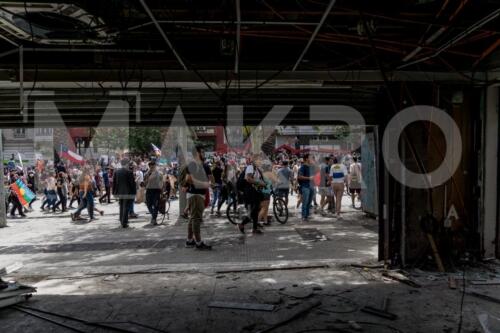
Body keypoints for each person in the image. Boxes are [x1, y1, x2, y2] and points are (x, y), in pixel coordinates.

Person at [184, 146, 213, 250]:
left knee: (193, 218)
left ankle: (190, 240)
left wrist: (208, 183)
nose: (204, 153)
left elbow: (210, 179)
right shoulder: (192, 164)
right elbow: (188, 179)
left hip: (200, 194)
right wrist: (202, 184)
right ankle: (198, 242)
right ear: (197, 153)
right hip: (195, 194)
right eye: (202, 152)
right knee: (196, 218)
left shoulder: (204, 165)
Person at [240, 154, 265, 235]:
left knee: (257, 208)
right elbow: (248, 179)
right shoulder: (250, 167)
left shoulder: (257, 169)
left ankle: (254, 228)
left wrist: (262, 183)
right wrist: (259, 182)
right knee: (256, 208)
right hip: (250, 191)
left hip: (255, 191)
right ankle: (243, 223)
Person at [112, 159, 136, 228]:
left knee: (122, 206)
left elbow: (114, 183)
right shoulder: (129, 172)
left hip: (120, 192)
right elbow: (132, 184)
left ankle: (121, 219)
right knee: (126, 207)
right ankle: (124, 222)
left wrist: (114, 192)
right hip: (128, 192)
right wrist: (134, 193)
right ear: (127, 164)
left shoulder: (116, 172)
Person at [144, 161, 164, 225]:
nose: (152, 167)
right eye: (150, 166)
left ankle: (154, 219)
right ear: (149, 166)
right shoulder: (147, 173)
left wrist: (162, 191)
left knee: (156, 205)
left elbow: (162, 183)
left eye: (153, 166)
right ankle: (153, 217)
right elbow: (144, 182)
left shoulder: (159, 173)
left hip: (156, 190)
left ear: (155, 166)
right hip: (149, 190)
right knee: (149, 204)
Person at [297, 154, 315, 222]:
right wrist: (309, 178)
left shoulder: (311, 166)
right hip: (305, 186)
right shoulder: (303, 167)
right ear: (306, 159)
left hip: (311, 186)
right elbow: (299, 177)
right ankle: (304, 216)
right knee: (305, 202)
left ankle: (307, 215)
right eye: (310, 158)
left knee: (309, 202)